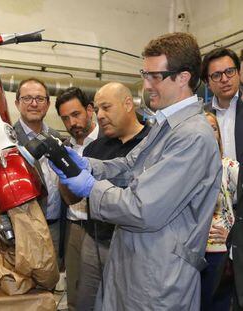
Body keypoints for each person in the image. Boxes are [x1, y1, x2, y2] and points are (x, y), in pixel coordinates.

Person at [50, 32, 222, 310]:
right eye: (145, 74)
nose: (146, 85)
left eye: (155, 76)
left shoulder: (193, 136)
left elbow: (142, 208)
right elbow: (130, 166)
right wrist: (88, 166)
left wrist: (90, 187)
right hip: (137, 263)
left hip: (160, 276)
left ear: (183, 77)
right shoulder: (166, 126)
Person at [76, 82, 150, 311]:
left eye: (106, 107)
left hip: (135, 245)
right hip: (95, 240)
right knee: (87, 302)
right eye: (97, 110)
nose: (99, 116)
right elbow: (74, 198)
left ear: (128, 104)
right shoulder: (93, 150)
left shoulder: (153, 144)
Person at [201, 47, 243, 311]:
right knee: (212, 295)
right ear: (207, 82)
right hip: (211, 215)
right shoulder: (201, 117)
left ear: (238, 73)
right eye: (216, 75)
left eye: (229, 71)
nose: (224, 79)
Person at [55, 87, 99, 311]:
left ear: (89, 110)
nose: (72, 122)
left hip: (102, 231)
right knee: (75, 294)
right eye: (65, 118)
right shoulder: (65, 148)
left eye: (76, 114)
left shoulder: (108, 141)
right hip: (73, 227)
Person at [13, 78, 64, 260]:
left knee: (51, 283)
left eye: (40, 99)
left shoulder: (57, 137)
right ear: (17, 103)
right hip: (22, 231)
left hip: (55, 228)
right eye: (27, 98)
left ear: (48, 104)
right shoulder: (8, 140)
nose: (34, 104)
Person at [200, 112, 239, 311]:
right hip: (191, 255)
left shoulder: (229, 166)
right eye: (204, 127)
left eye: (213, 128)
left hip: (220, 254)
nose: (209, 132)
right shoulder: (186, 169)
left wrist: (235, 236)